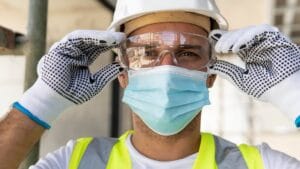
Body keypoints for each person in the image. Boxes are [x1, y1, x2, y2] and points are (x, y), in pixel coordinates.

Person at [0, 0, 300, 168]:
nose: (167, 68)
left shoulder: (261, 166)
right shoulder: (74, 163)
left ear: (211, 73)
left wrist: (294, 94)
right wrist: (43, 99)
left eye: (187, 52)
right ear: (122, 72)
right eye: (147, 52)